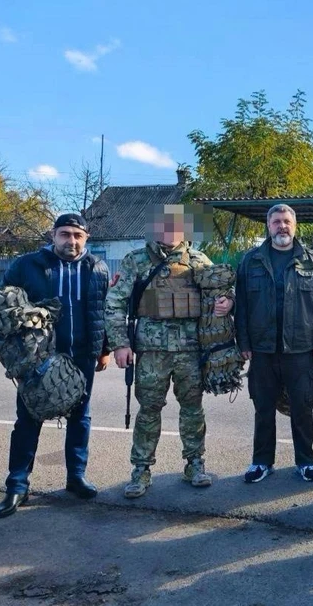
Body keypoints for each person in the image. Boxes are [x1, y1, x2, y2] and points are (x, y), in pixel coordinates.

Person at [105, 204, 232, 498]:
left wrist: (228, 302)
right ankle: (140, 470)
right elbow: (114, 304)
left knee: (192, 409)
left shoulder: (199, 261)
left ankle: (195, 464)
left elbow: (221, 292)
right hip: (151, 351)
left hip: (190, 350)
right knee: (149, 410)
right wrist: (120, 344)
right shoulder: (136, 260)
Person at [0, 213, 110, 518]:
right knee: (29, 419)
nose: (71, 240)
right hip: (37, 358)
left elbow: (103, 311)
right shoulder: (27, 265)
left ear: (86, 238)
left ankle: (75, 478)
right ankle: (17, 486)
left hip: (82, 355)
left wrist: (104, 350)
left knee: (80, 417)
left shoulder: (97, 267)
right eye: (65, 234)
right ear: (52, 235)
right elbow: (4, 307)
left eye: (77, 235)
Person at [236, 204, 313, 483]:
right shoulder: (251, 260)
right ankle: (262, 462)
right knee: (263, 408)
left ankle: (305, 462)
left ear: (295, 225)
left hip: (300, 348)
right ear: (268, 225)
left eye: (286, 221)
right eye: (276, 221)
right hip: (263, 349)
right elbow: (241, 305)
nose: (282, 226)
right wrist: (243, 341)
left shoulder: (311, 260)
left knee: (302, 407)